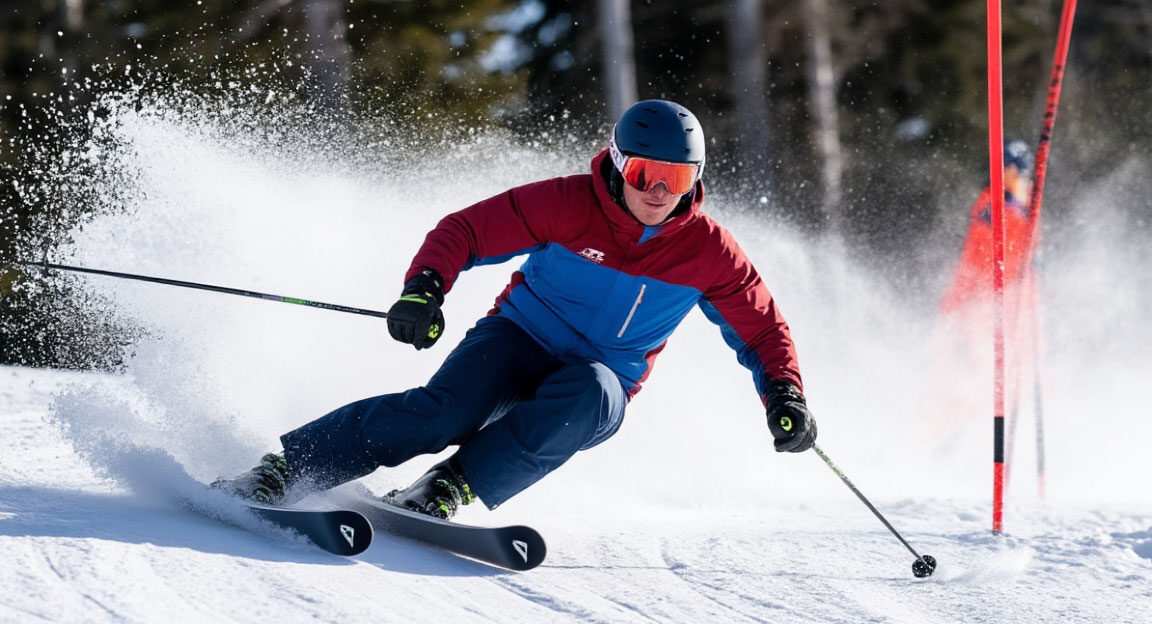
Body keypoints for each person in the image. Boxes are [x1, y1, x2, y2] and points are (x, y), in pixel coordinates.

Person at [216, 100, 817, 519]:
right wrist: (424, 288)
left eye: (676, 179)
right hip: (518, 339)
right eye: (644, 173)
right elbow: (466, 231)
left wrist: (784, 395)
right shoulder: (568, 203)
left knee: (588, 394)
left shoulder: (708, 251)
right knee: (442, 414)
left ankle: (448, 485)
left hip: (600, 379)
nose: (658, 193)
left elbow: (762, 330)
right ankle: (287, 469)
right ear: (618, 162)